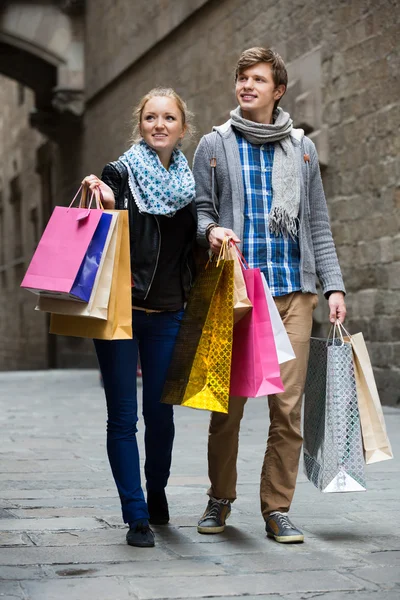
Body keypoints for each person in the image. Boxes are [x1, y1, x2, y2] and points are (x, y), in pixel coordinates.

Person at [192, 47, 346, 543]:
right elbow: (199, 212)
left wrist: (334, 285)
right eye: (242, 78)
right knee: (229, 405)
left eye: (258, 79)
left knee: (287, 407)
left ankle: (277, 507)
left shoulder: (300, 149)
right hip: (238, 294)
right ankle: (220, 496)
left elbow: (317, 225)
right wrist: (212, 230)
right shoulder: (215, 145)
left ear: (278, 90)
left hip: (293, 294)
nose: (247, 86)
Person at [82, 88, 197, 548]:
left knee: (161, 416)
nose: (159, 125)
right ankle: (136, 517)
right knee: (123, 418)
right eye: (151, 117)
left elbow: (194, 235)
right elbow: (111, 234)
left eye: (169, 118)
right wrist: (108, 203)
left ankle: (157, 490)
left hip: (170, 312)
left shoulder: (190, 181)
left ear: (182, 127)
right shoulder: (120, 173)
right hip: (120, 313)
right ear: (141, 123)